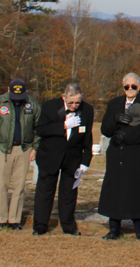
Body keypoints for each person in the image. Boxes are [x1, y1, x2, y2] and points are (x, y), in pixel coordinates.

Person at [98, 73, 140, 242]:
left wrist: (126, 136)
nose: (130, 89)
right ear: (122, 86)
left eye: (133, 86)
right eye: (127, 86)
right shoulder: (114, 104)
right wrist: (115, 119)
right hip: (117, 153)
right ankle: (114, 229)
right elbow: (105, 129)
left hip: (137, 154)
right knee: (114, 189)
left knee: (136, 191)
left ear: (139, 86)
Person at [32, 83, 94, 236]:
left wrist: (86, 160)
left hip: (72, 158)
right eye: (71, 102)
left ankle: (68, 225)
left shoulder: (87, 110)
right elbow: (41, 129)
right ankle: (40, 225)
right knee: (45, 192)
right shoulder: (49, 106)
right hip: (50, 156)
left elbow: (87, 137)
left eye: (77, 102)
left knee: (69, 193)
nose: (74, 105)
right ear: (63, 97)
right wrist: (64, 125)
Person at [0, 78, 41, 230]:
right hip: (2, 149)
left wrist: (35, 148)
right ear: (8, 90)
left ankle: (14, 219)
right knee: (1, 185)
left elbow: (38, 127)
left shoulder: (33, 104)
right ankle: (1, 219)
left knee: (19, 186)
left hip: (24, 149)